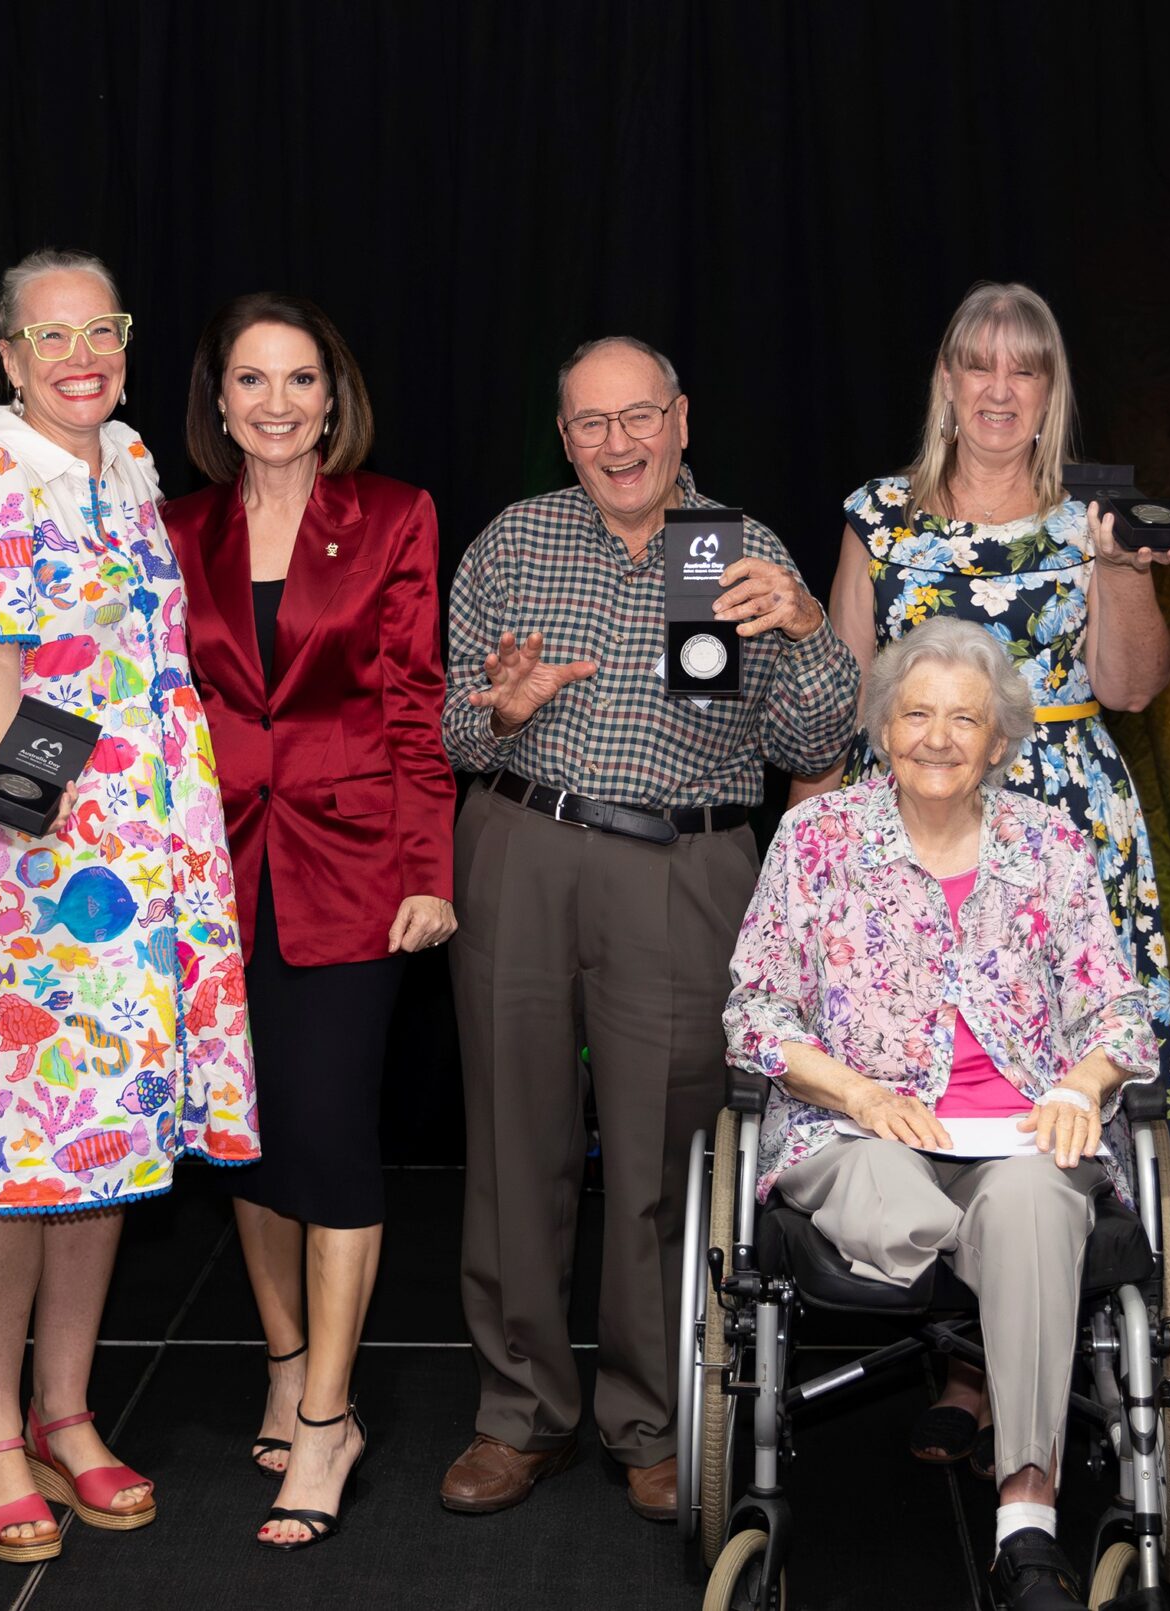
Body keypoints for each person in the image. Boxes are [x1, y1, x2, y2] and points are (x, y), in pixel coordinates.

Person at [0, 249, 258, 1563]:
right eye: (51, 336)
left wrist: (142, 879)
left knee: (98, 1146)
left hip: (134, 875)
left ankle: (66, 1412)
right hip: (21, 874)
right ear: (7, 358)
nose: (80, 356)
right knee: (6, 1153)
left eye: (102, 330)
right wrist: (61, 886)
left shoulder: (130, 463)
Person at [438, 335, 859, 1521]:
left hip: (683, 867)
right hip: (521, 847)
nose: (617, 443)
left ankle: (655, 1419)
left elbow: (813, 745)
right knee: (512, 1144)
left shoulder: (737, 550)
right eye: (591, 423)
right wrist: (499, 713)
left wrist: (806, 627)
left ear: (680, 420)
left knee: (664, 1159)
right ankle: (519, 1414)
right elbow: (449, 726)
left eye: (638, 417)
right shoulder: (514, 542)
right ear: (563, 437)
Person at [789, 282, 1170, 1469]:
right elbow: (843, 695)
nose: (1000, 389)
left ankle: (1011, 1357)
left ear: (1051, 389)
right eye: (979, 364)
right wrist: (804, 848)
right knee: (917, 1059)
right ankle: (971, 1352)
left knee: (1049, 1070)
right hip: (904, 815)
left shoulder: (1090, 515)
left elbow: (1132, 688)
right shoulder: (879, 513)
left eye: (1026, 368)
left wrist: (1119, 569)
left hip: (1059, 818)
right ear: (947, 382)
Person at [726, 617, 1162, 1611]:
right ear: (882, 728)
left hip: (1020, 1134)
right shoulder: (818, 840)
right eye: (916, 713)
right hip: (857, 1129)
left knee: (1030, 1201)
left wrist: (1078, 1085)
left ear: (998, 741)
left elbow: (1120, 1011)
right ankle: (1006, 1274)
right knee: (911, 1201)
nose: (936, 736)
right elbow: (754, 1013)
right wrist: (859, 1092)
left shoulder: (1047, 845)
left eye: (963, 719)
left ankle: (1026, 1524)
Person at [165, 292, 457, 1550]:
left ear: (331, 400)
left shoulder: (392, 515)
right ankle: (284, 1362)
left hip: (354, 866)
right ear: (219, 403)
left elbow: (413, 700)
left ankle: (329, 1418)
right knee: (247, 1135)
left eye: (298, 379)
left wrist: (429, 869)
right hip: (211, 870)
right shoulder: (173, 528)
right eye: (251, 380)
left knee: (330, 1138)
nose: (276, 402)